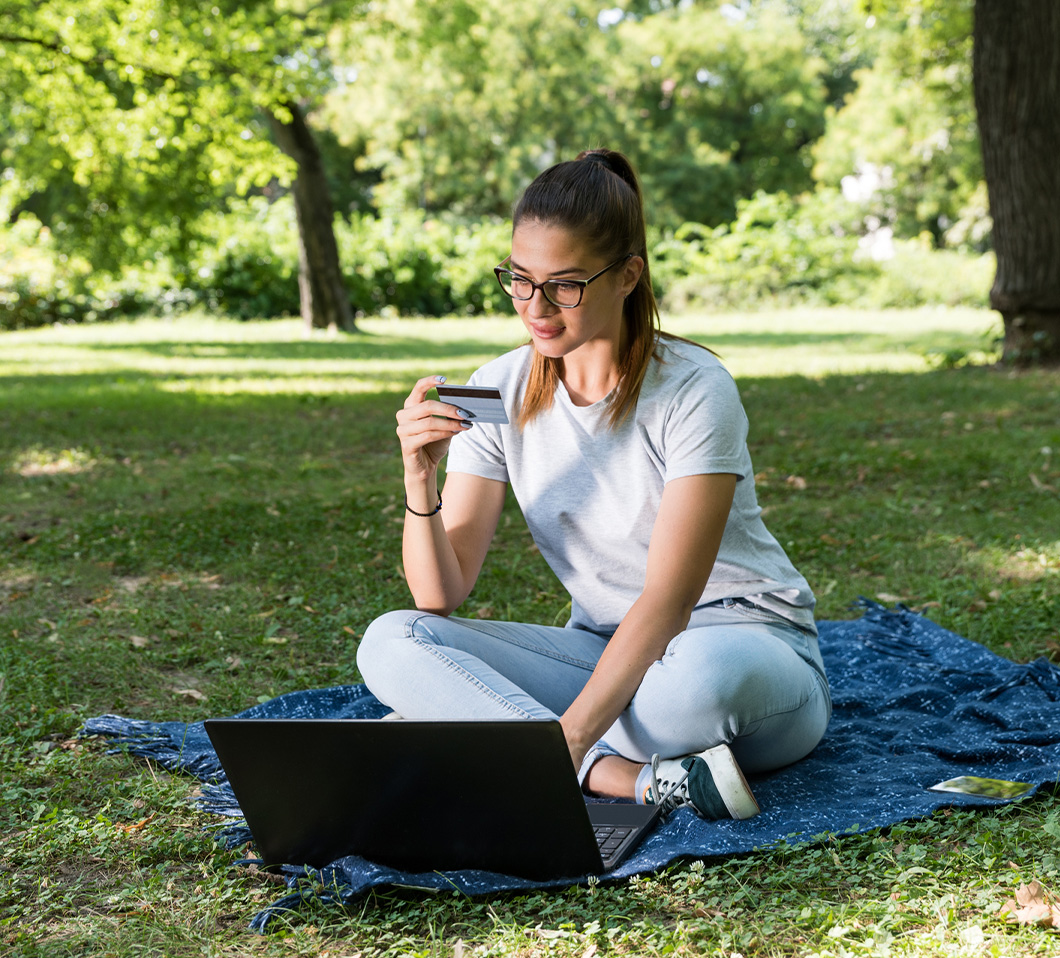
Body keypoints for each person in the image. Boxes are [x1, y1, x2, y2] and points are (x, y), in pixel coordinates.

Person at [357, 148, 831, 820]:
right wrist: (418, 476)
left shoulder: (695, 390)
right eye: (519, 280)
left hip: (744, 654)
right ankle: (623, 778)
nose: (537, 307)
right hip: (604, 655)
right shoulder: (497, 389)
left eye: (565, 284)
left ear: (627, 275)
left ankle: (497, 734)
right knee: (393, 641)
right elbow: (441, 591)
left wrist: (566, 738)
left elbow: (669, 602)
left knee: (689, 688)